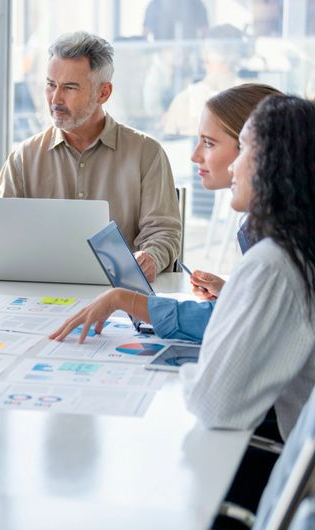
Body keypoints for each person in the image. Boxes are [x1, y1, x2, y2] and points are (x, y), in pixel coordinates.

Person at [52, 94, 315, 442]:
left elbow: (214, 403)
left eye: (245, 149)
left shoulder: (273, 263)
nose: (234, 165)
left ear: (275, 162)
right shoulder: (296, 249)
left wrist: (185, 374)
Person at [0, 31, 182, 282]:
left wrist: (150, 258)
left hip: (116, 295)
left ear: (103, 93)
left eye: (69, 87)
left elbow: (163, 233)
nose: (55, 99)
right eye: (50, 85)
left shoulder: (146, 154)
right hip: (38, 296)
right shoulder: (23, 157)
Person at [112, 84, 281, 343]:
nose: (194, 156)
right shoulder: (257, 222)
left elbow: (244, 324)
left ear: (255, 150)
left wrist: (128, 302)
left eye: (209, 143)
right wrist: (232, 293)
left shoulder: (277, 241)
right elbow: (272, 312)